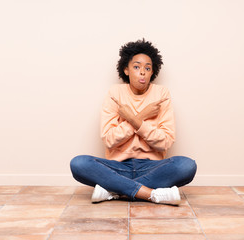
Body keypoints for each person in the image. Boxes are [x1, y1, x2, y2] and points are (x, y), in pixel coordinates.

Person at [70, 39, 197, 205]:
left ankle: (115, 191)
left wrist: (132, 118)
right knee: (79, 163)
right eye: (136, 67)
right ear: (126, 70)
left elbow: (165, 142)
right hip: (117, 167)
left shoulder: (161, 93)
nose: (142, 72)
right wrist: (143, 115)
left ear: (153, 72)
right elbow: (109, 140)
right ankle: (151, 194)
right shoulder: (115, 92)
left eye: (147, 68)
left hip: (152, 168)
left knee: (186, 166)